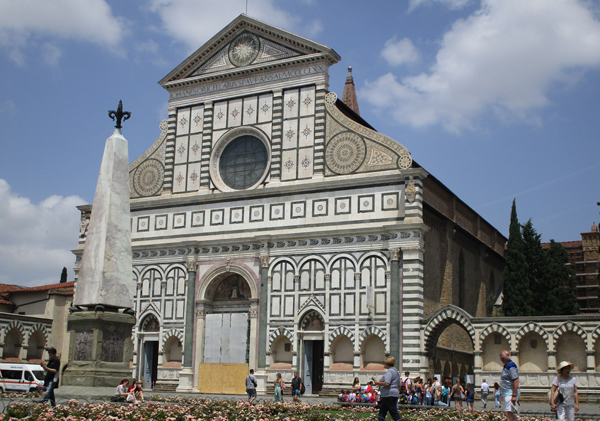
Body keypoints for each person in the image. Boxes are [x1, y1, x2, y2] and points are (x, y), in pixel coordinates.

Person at [373, 356, 402, 421]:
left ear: (386, 363)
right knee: (382, 412)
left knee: (393, 413)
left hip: (388, 394)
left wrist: (378, 383)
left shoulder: (389, 372)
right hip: (393, 394)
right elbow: (398, 384)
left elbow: (387, 383)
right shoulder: (396, 371)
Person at [499, 350, 520, 421]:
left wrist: (514, 395)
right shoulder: (507, 366)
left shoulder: (511, 366)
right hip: (506, 393)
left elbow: (516, 380)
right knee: (509, 412)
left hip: (510, 393)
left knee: (508, 412)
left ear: (502, 358)